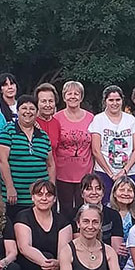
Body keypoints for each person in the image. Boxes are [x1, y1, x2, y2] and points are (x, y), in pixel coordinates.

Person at [14, 180, 72, 270]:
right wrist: (47, 263)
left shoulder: (62, 221)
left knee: (63, 261)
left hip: (55, 269)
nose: (44, 198)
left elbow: (63, 252)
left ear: (54, 199)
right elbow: (24, 247)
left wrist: (57, 264)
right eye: (39, 194)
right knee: (47, 256)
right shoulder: (23, 216)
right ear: (32, 197)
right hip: (28, 269)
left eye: (48, 195)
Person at [0, 95, 55, 220]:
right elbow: (2, 161)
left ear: (37, 112)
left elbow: (50, 164)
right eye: (24, 108)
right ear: (18, 111)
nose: (28, 112)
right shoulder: (8, 131)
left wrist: (51, 188)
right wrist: (10, 187)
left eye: (32, 109)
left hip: (40, 198)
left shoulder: (43, 136)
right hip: (16, 197)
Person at [89, 85, 135, 204]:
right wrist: (110, 173)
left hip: (129, 172)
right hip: (104, 172)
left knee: (128, 203)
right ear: (105, 101)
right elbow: (96, 150)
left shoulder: (131, 120)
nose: (114, 103)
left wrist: (125, 171)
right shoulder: (98, 119)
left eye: (118, 100)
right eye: (111, 100)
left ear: (122, 100)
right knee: (106, 205)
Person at [53, 81, 94, 220]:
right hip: (63, 172)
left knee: (84, 208)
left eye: (76, 93)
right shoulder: (56, 118)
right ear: (64, 97)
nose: (73, 96)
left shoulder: (91, 118)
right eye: (69, 93)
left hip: (85, 172)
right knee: (65, 209)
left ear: (81, 97)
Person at [73, 174, 124, 251]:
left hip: (108, 256)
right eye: (89, 189)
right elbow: (79, 245)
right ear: (82, 194)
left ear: (103, 193)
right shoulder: (73, 214)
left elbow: (116, 249)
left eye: (98, 189)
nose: (94, 192)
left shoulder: (114, 215)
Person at [109, 176, 135, 269]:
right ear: (114, 193)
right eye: (122, 190)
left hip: (132, 262)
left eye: (130, 191)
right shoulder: (105, 213)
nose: (126, 193)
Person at [34, 83, 61, 153]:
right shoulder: (31, 123)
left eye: (51, 101)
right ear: (37, 103)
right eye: (43, 101)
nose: (48, 105)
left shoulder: (56, 123)